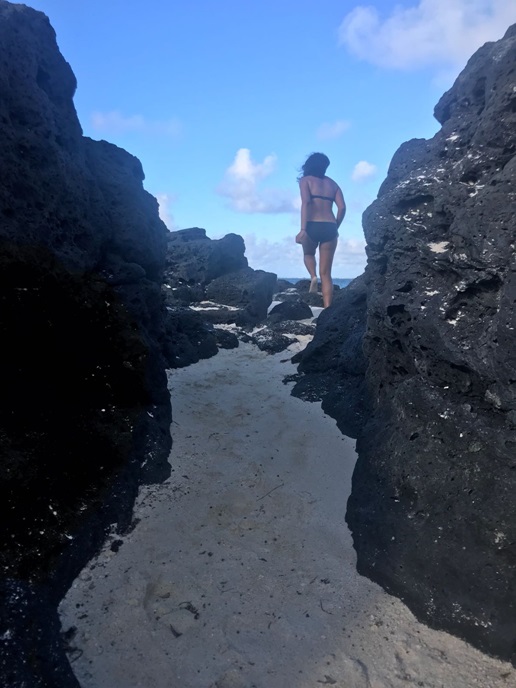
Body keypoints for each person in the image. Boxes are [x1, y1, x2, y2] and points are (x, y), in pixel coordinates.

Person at [295, 152, 346, 308]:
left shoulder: (306, 181)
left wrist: (303, 229)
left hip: (312, 225)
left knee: (309, 253)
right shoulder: (333, 184)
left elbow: (306, 203)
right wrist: (335, 226)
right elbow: (342, 207)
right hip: (330, 227)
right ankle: (327, 308)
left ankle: (312, 276)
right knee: (327, 274)